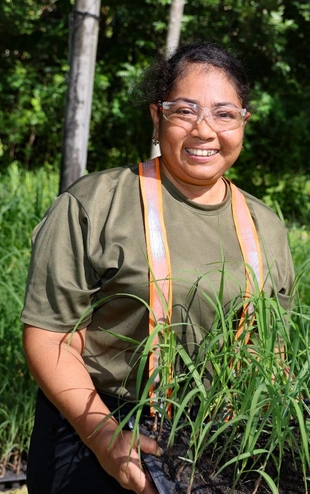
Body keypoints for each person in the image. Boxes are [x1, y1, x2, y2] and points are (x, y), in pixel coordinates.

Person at [21, 42, 295, 494]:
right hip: (92, 424)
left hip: (216, 437)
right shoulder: (95, 204)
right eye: (185, 110)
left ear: (244, 122)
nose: (204, 130)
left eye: (224, 114)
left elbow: (272, 350)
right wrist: (107, 440)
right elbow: (49, 337)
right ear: (157, 116)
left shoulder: (267, 226)